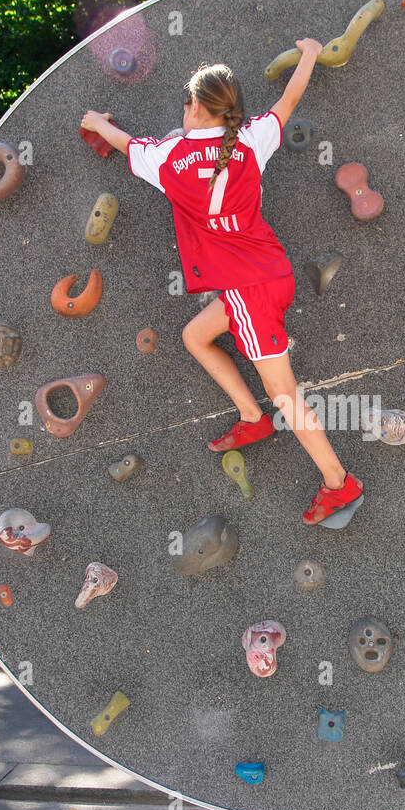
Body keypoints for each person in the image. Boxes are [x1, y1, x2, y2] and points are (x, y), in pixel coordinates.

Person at [80, 39, 363, 525]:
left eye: (186, 103)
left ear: (192, 106)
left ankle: (340, 483)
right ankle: (252, 419)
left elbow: (128, 144)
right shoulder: (251, 140)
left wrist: (97, 124)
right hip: (264, 275)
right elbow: (287, 102)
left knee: (287, 397)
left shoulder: (170, 156)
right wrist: (311, 53)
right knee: (195, 335)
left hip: (249, 291)